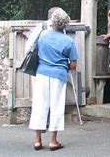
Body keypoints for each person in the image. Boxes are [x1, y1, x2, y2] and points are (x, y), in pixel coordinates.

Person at [29, 8, 78, 151]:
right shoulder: (68, 41)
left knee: (39, 104)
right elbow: (73, 64)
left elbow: (36, 50)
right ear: (65, 24)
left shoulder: (43, 35)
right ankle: (53, 140)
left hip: (42, 73)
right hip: (58, 75)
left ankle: (37, 140)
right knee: (56, 106)